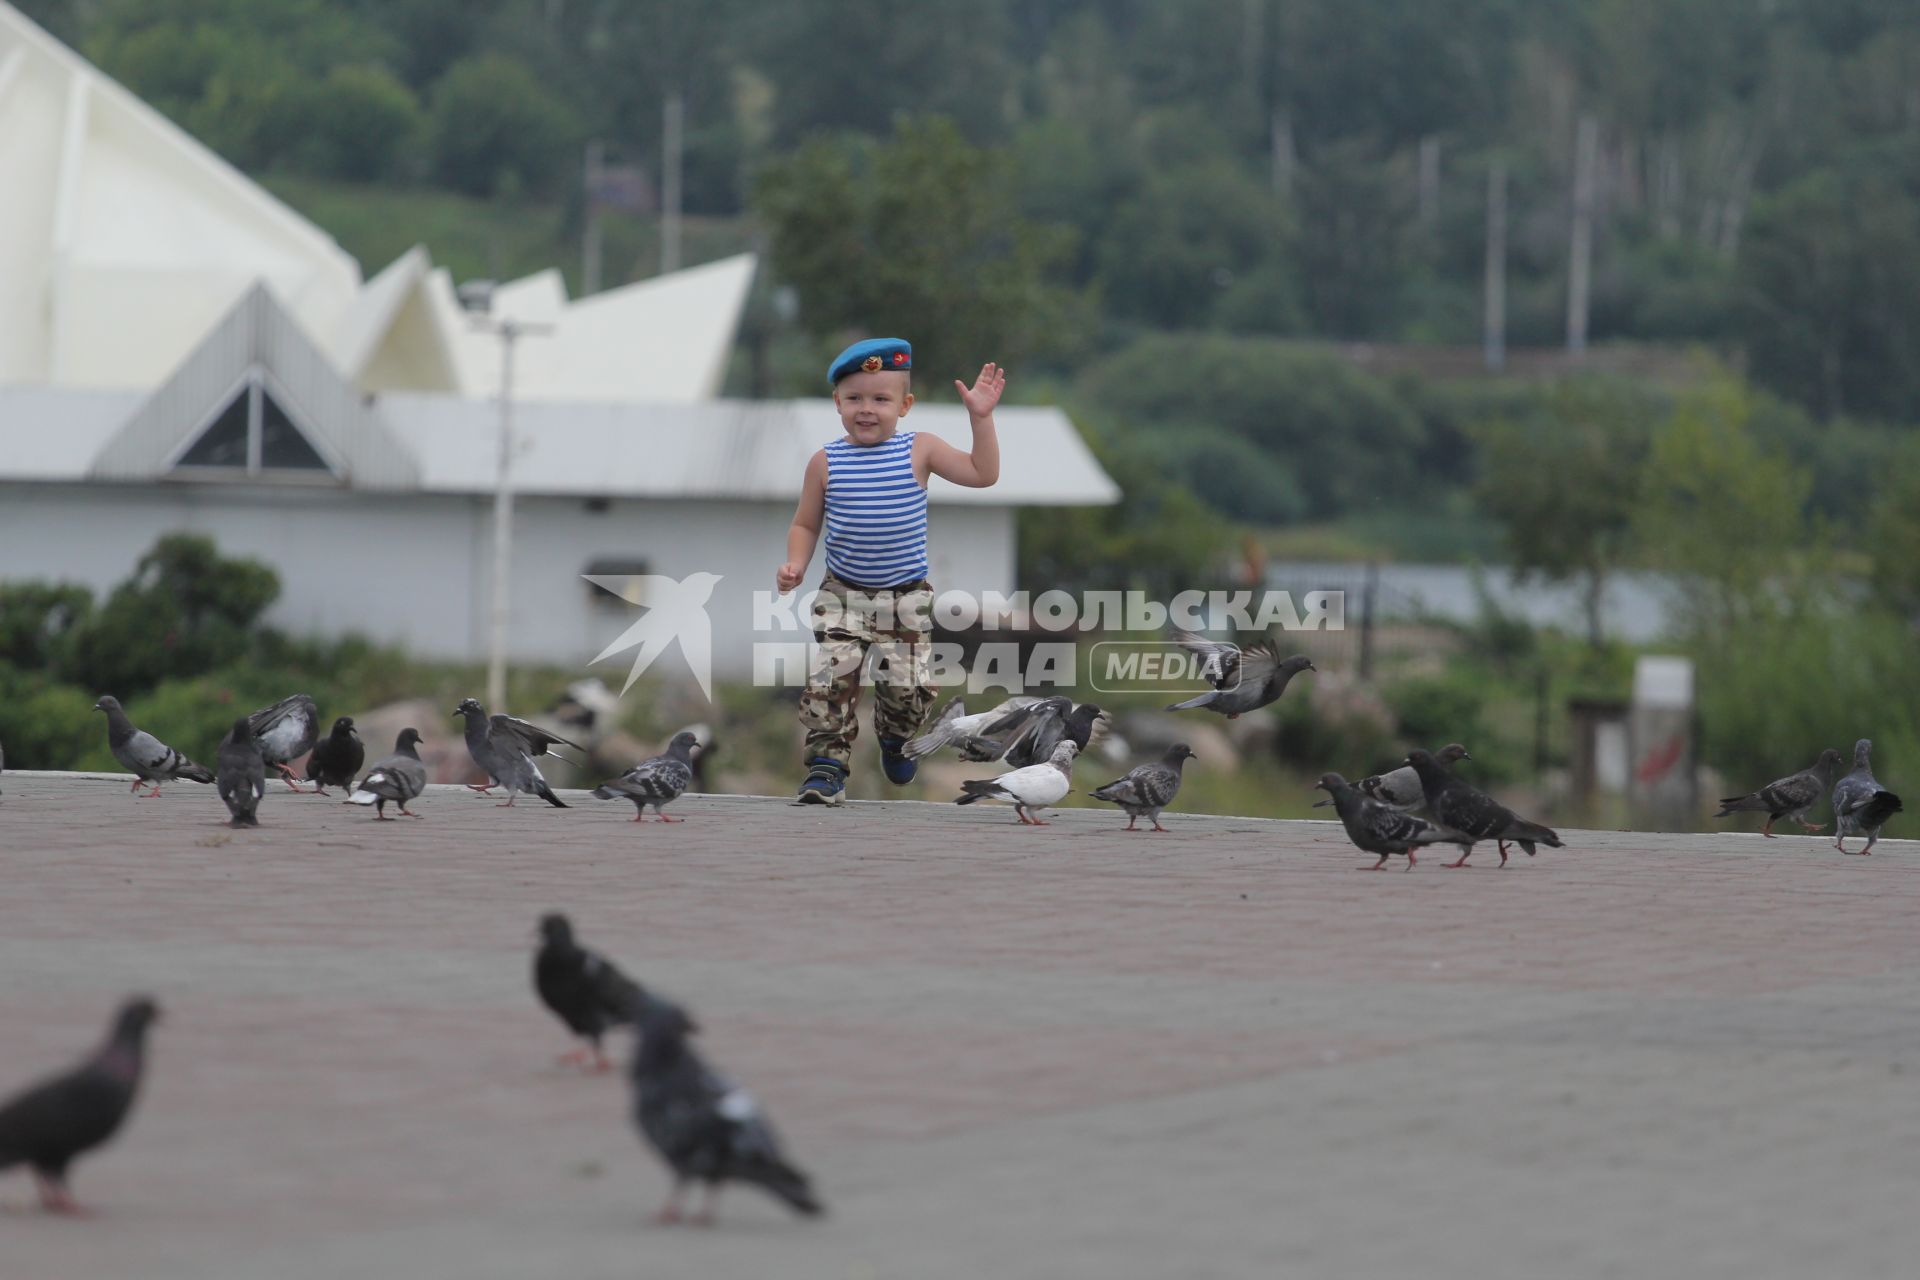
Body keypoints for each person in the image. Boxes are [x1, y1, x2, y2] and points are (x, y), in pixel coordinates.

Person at [776, 337, 1004, 804]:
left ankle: (897, 737)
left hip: (906, 597)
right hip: (843, 593)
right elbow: (804, 522)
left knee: (908, 687)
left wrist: (980, 419)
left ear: (905, 405)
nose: (867, 409)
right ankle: (826, 768)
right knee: (833, 679)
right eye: (855, 398)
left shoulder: (919, 450)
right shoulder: (826, 462)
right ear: (837, 402)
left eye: (881, 399)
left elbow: (983, 474)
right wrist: (796, 563)